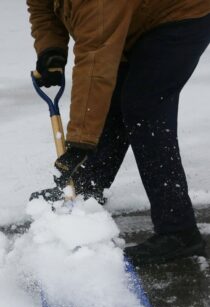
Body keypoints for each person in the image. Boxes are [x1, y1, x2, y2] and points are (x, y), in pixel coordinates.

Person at [27, 0, 210, 266]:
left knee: (144, 106)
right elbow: (41, 7)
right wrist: (51, 50)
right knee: (116, 98)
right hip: (134, 20)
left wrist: (80, 142)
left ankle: (178, 231)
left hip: (180, 15)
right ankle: (88, 186)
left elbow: (95, 60)